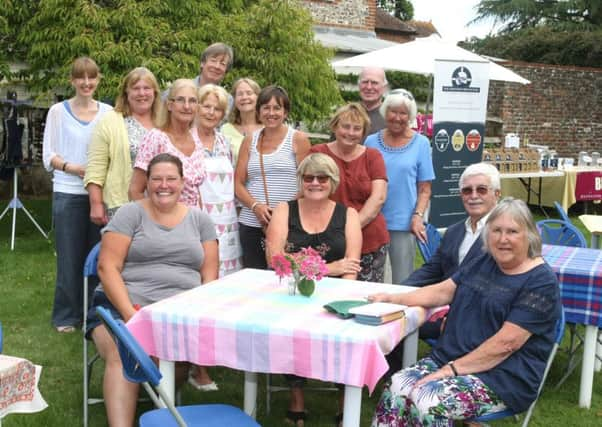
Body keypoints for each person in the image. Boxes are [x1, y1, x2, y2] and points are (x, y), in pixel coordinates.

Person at [369, 198, 561, 426]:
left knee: (427, 400)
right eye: (496, 230)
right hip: (450, 357)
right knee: (397, 385)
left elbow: (507, 343)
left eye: (512, 231)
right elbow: (443, 291)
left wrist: (450, 370)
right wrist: (393, 297)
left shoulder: (540, 282)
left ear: (529, 236)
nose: (503, 239)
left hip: (502, 376)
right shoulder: (485, 260)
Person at [86, 153, 219, 427]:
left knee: (177, 362)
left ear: (183, 183)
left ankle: (155, 402)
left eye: (171, 179)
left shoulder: (200, 220)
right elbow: (107, 268)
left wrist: (202, 312)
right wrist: (131, 315)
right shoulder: (130, 213)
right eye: (156, 178)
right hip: (122, 304)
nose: (164, 185)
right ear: (146, 182)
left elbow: (209, 273)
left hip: (179, 311)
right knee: (124, 353)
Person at [265, 153, 362, 426]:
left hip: (338, 293)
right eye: (309, 177)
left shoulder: (349, 215)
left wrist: (342, 299)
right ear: (301, 180)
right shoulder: (285, 210)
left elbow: (352, 266)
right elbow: (274, 259)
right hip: (292, 291)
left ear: (333, 182)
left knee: (347, 335)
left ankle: (345, 400)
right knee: (289, 331)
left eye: (322, 178)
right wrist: (331, 267)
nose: (315, 183)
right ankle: (297, 396)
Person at [384, 162, 502, 377]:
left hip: (478, 314)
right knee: (392, 315)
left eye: (481, 189)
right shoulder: (455, 231)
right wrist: (401, 292)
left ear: (497, 194)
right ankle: (394, 375)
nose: (473, 195)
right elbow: (432, 269)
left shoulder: (503, 235)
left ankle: (408, 377)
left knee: (403, 322)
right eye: (467, 190)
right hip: (443, 304)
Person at [42, 56, 112, 333]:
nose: (86, 83)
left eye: (91, 77)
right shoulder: (58, 111)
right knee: (70, 256)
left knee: (98, 256)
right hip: (68, 192)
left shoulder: (108, 112)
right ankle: (66, 315)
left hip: (100, 193)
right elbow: (49, 155)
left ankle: (93, 313)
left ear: (98, 80)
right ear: (72, 80)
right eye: (80, 78)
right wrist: (74, 169)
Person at [311, 103, 389, 282]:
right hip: (326, 241)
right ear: (334, 126)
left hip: (369, 241)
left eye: (357, 128)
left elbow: (378, 197)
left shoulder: (373, 156)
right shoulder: (318, 153)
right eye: (345, 126)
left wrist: (349, 230)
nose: (350, 132)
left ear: (363, 133)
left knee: (364, 300)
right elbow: (307, 191)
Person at [235, 85, 311, 269]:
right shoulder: (249, 140)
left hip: (289, 224)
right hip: (253, 223)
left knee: (288, 274)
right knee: (254, 277)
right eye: (266, 108)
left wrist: (282, 212)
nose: (271, 113)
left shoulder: (298, 139)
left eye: (277, 108)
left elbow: (307, 183)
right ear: (258, 111)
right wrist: (255, 206)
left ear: (285, 112)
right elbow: (237, 183)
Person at [365, 88, 435, 284]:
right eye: (393, 111)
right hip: (371, 220)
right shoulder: (370, 141)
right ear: (385, 112)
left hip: (404, 224)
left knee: (402, 281)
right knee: (369, 279)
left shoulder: (421, 143)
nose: (397, 117)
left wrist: (418, 216)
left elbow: (425, 188)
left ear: (410, 116)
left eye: (403, 113)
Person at [84, 67, 161, 225]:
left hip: (162, 204)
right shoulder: (110, 121)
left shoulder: (165, 121)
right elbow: (95, 167)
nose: (142, 93)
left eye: (147, 88)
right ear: (127, 92)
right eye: (136, 88)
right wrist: (96, 203)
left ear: (155, 92)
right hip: (122, 206)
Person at [129, 79, 205, 207]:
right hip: (163, 220)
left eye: (192, 101)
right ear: (170, 105)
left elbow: (195, 192)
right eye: (180, 100)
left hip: (193, 220)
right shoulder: (156, 138)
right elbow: (135, 191)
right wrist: (152, 221)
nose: (187, 106)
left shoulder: (196, 139)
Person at [196, 84, 243, 277]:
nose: (211, 113)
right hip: (198, 216)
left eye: (217, 109)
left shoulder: (224, 142)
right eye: (206, 106)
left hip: (227, 219)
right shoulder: (186, 140)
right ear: (197, 107)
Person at [221, 77, 262, 166]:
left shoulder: (267, 128)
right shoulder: (225, 129)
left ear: (258, 97)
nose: (244, 97)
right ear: (234, 100)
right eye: (240, 94)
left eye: (249, 93)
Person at [358, 67, 388, 136]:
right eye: (365, 82)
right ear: (359, 85)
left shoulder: (391, 119)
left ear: (384, 87)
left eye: (374, 83)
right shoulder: (346, 114)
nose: (369, 87)